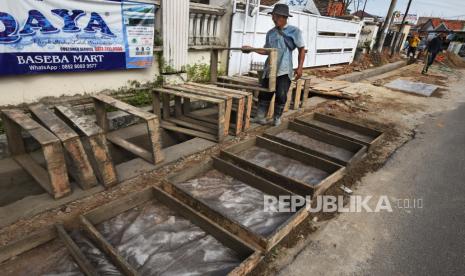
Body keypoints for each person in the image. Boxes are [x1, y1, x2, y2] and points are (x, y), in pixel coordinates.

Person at [242, 4, 306, 126]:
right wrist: (252, 49)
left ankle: (277, 117)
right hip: (269, 68)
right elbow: (266, 51)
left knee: (281, 95)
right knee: (265, 93)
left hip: (284, 69)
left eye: (276, 16)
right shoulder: (270, 33)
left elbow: (302, 49)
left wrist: (300, 67)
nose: (273, 19)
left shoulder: (295, 31)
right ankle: (260, 117)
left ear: (284, 17)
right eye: (273, 16)